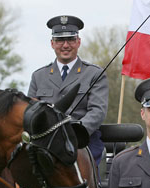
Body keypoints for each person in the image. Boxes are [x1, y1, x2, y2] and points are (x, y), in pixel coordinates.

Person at [28, 15, 108, 165]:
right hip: (46, 142)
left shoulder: (94, 74)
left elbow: (97, 111)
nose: (65, 45)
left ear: (78, 42)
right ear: (52, 43)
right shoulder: (38, 76)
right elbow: (31, 113)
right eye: (59, 40)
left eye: (70, 39)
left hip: (83, 141)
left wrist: (74, 132)